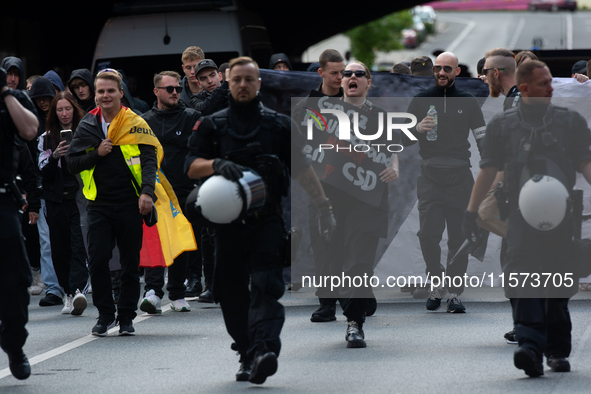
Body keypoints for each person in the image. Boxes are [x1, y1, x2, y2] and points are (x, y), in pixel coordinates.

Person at [185, 56, 335, 384]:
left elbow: (304, 170)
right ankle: (246, 352)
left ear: (259, 83)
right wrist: (214, 166)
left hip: (266, 220)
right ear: (228, 81)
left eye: (248, 79)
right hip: (227, 227)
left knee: (267, 286)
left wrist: (324, 207)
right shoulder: (212, 124)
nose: (242, 85)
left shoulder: (279, 125)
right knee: (232, 292)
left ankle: (265, 349)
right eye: (236, 79)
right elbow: (190, 165)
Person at [463, 60, 591, 377]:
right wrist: (471, 211)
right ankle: (530, 346)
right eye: (544, 83)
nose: (551, 87)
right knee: (522, 277)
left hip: (562, 215)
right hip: (519, 216)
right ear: (524, 88)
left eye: (550, 82)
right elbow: (488, 170)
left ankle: (557, 350)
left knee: (558, 282)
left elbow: (586, 164)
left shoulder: (570, 121)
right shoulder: (502, 126)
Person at [309, 61, 399, 347]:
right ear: (340, 81)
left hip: (368, 198)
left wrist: (395, 167)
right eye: (347, 73)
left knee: (359, 260)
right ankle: (357, 299)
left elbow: (391, 149)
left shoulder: (380, 116)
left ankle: (354, 323)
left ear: (368, 82)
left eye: (359, 74)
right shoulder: (324, 113)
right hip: (332, 197)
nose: (352, 77)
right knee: (334, 260)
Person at [66, 69, 158, 336]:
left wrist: (147, 193)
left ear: (120, 93)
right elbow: (72, 163)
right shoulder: (87, 124)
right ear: (96, 96)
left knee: (130, 264)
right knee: (97, 262)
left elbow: (150, 160)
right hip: (99, 206)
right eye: (101, 91)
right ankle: (105, 316)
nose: (105, 95)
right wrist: (97, 153)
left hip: (130, 203)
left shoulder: (136, 122)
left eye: (110, 91)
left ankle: (126, 317)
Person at [403, 51, 486, 313]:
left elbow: (483, 139)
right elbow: (401, 138)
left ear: (457, 72)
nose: (441, 73)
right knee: (428, 235)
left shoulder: (468, 101)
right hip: (430, 178)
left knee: (459, 238)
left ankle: (454, 293)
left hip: (461, 177)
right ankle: (436, 283)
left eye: (446, 69)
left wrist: (491, 171)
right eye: (437, 68)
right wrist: (416, 130)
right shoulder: (420, 100)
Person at [139, 71, 201, 313]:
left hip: (185, 191)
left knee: (181, 242)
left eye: (177, 88)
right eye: (169, 89)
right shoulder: (143, 122)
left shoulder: (192, 117)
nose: (175, 92)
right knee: (156, 242)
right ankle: (153, 292)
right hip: (154, 193)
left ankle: (177, 294)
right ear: (156, 92)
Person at [0, 66, 40, 380]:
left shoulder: (12, 98)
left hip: (2, 202)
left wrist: (5, 94)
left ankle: (14, 345)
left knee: (15, 283)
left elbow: (29, 131)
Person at [38, 92, 89, 315]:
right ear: (54, 113)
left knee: (78, 245)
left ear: (74, 110)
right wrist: (55, 156)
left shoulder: (85, 132)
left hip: (79, 198)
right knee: (59, 249)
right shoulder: (46, 138)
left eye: (68, 109)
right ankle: (68, 293)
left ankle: (78, 290)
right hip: (56, 199)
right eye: (59, 110)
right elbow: (41, 170)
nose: (64, 113)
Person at [483, 47, 521, 344]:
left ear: (497, 73)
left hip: (522, 195)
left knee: (515, 259)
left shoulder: (516, 101)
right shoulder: (520, 97)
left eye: (485, 73)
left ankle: (525, 324)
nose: (483, 79)